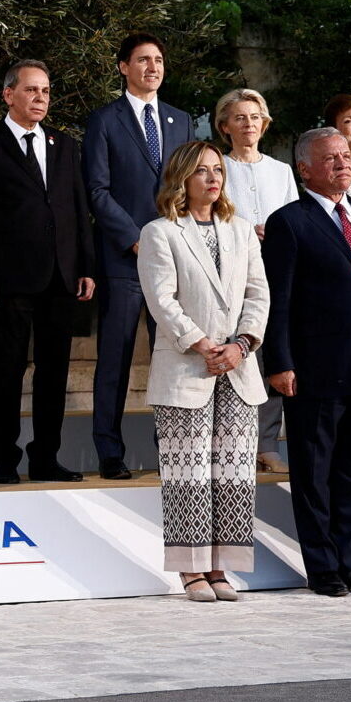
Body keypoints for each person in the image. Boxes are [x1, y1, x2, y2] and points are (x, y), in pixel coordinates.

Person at [261, 127, 351, 597]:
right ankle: (322, 567)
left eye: (346, 156)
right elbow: (278, 300)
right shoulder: (289, 222)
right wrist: (279, 361)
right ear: (304, 169)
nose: (343, 163)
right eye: (330, 158)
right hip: (314, 371)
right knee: (314, 474)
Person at [0, 59, 95, 484]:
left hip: (61, 277)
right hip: (9, 280)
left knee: (54, 373)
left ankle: (46, 457)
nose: (40, 98)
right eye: (32, 90)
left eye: (46, 91)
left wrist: (86, 266)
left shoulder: (66, 146)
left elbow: (78, 210)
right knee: (9, 371)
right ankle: (4, 458)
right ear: (8, 94)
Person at [138, 141, 267, 600]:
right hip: (186, 369)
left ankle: (221, 569)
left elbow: (259, 294)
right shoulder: (160, 232)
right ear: (182, 178)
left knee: (233, 472)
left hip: (238, 367)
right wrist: (204, 343)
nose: (213, 179)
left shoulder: (241, 229)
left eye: (218, 170)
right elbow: (162, 300)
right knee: (187, 473)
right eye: (202, 171)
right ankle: (191, 571)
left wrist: (241, 345)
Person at [82, 33, 195, 479]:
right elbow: (97, 190)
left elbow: (190, 186)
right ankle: (109, 451)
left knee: (174, 355)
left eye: (159, 59)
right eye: (144, 60)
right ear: (123, 67)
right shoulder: (104, 121)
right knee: (116, 356)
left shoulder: (181, 121)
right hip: (124, 260)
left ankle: (171, 450)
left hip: (174, 261)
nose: (153, 67)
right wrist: (136, 238)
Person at [214, 87, 295, 474]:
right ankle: (232, 444)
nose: (249, 124)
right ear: (224, 125)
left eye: (255, 117)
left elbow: (296, 218)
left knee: (272, 354)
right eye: (240, 117)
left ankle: (266, 443)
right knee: (236, 353)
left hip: (277, 273)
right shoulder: (216, 168)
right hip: (229, 274)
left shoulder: (281, 171)